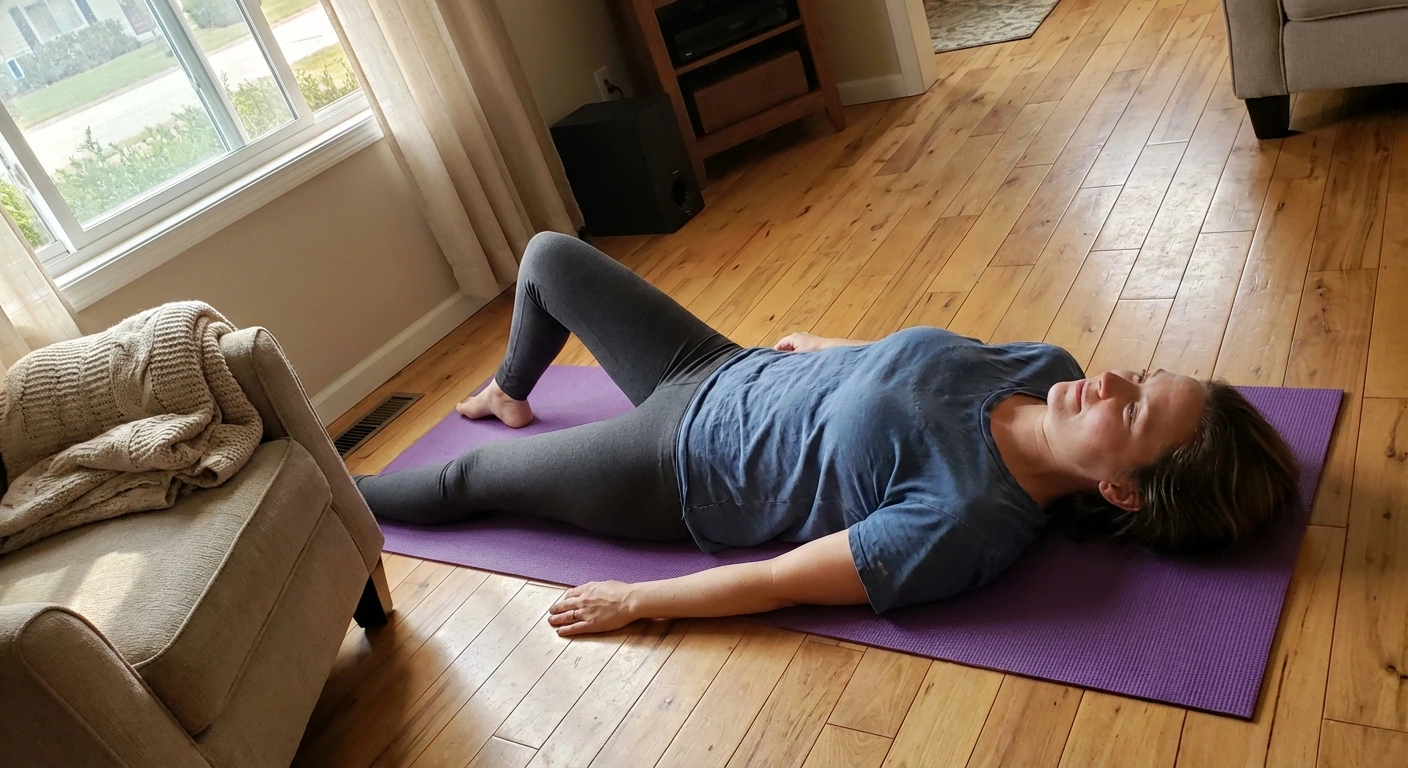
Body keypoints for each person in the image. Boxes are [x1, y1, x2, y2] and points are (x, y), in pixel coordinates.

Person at [355, 233, 1300, 637]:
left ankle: (316, 488)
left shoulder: (965, 522)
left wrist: (641, 604)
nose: (1113, 380)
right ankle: (511, 388)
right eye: (1143, 372)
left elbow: (779, 584)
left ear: (1123, 492)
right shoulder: (1048, 365)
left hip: (674, 469)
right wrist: (838, 348)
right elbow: (925, 360)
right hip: (719, 365)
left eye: (1131, 409)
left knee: (463, 478)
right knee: (548, 258)